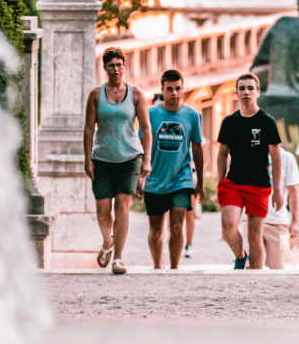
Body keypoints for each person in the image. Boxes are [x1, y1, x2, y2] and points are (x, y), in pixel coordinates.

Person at [83, 47, 153, 275]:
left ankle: (118, 259)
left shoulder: (136, 94)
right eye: (111, 65)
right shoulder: (96, 94)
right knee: (103, 210)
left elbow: (145, 128)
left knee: (122, 206)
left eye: (120, 64)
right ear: (104, 68)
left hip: (130, 157)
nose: (116, 68)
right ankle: (107, 243)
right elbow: (88, 129)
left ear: (125, 65)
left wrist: (147, 159)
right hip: (102, 158)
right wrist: (87, 159)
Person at [216, 73, 284, 269]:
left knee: (255, 236)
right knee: (228, 227)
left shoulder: (267, 121)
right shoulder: (229, 122)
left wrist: (277, 190)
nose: (246, 92)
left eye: (250, 88)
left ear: (258, 92)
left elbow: (276, 157)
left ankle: (255, 278)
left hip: (259, 185)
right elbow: (221, 154)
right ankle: (240, 256)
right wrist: (221, 183)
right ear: (236, 93)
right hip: (233, 183)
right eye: (242, 88)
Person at [144, 69, 205, 269]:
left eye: (178, 88)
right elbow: (141, 146)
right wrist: (138, 177)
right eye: (169, 89)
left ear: (183, 89)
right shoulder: (150, 114)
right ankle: (157, 267)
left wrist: (201, 183)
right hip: (154, 180)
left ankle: (174, 269)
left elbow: (197, 148)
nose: (174, 93)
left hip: (182, 179)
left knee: (177, 226)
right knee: (155, 230)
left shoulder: (192, 115)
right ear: (162, 89)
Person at [263, 145, 299, 269]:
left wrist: (295, 221)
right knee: (250, 267)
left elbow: (294, 191)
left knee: (276, 270)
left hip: (277, 222)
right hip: (251, 218)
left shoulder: (287, 158)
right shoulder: (251, 153)